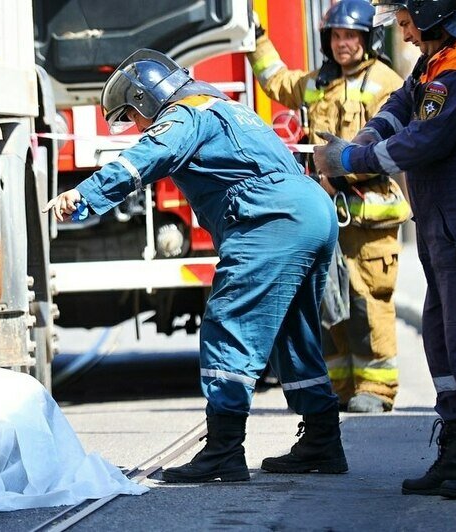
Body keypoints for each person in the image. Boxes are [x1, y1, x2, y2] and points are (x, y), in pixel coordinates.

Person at [45, 49, 346, 483]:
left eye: (134, 116)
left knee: (228, 326)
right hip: (311, 210)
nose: (138, 127)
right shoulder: (225, 106)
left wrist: (84, 196)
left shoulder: (184, 116)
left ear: (148, 100)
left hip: (268, 219)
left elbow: (142, 160)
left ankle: (224, 451)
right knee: (292, 332)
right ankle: (322, 441)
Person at [314, 0, 456, 499]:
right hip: (448, 220)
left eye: (406, 23)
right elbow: (402, 106)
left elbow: (425, 139)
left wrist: (348, 157)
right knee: (445, 336)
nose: (404, 35)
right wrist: (365, 134)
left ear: (432, 15)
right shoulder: (441, 57)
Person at [247, 0, 406, 413]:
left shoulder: (385, 82)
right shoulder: (320, 81)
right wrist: (256, 38)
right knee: (330, 303)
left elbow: (385, 146)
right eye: (335, 36)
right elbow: (277, 82)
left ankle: (376, 389)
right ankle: (338, 389)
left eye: (350, 36)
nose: (342, 44)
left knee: (368, 301)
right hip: (326, 213)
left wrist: (338, 174)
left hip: (369, 218)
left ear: (368, 39)